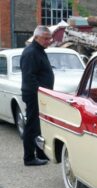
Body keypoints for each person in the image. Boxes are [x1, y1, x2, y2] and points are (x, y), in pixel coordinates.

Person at [20, 25, 54, 166]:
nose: (48, 41)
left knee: (40, 126)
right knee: (32, 126)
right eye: (45, 39)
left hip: (41, 95)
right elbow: (29, 77)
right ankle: (29, 158)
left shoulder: (39, 50)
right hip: (34, 95)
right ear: (36, 37)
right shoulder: (31, 52)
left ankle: (41, 153)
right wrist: (41, 92)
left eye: (49, 38)